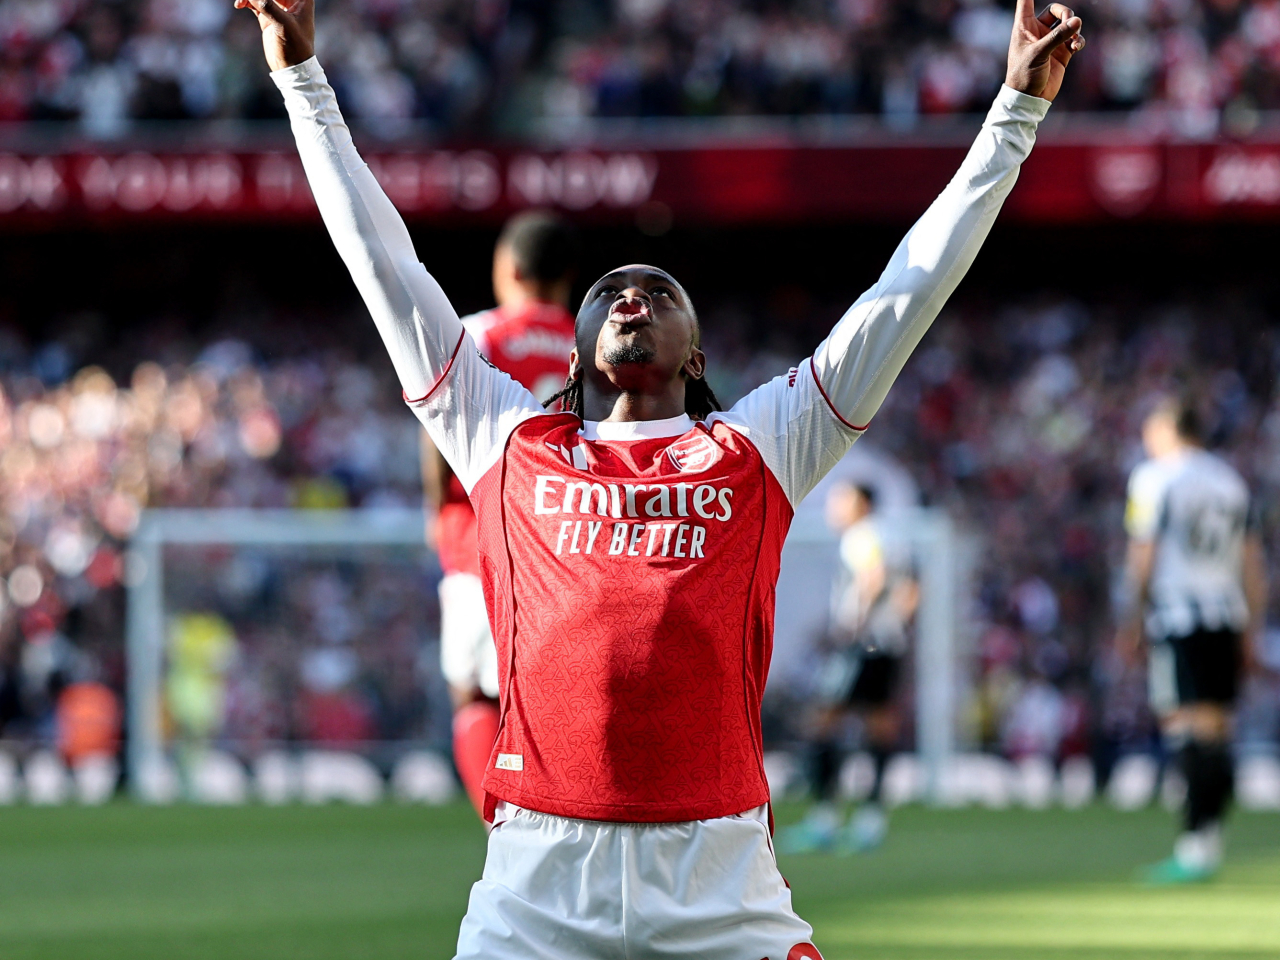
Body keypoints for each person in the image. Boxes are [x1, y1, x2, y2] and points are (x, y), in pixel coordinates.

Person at [235, 0, 1084, 953]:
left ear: (695, 354)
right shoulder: (507, 439)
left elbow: (907, 291)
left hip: (719, 882)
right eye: (610, 292)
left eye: (660, 291)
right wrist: (300, 77)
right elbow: (383, 263)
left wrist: (1015, 111)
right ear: (579, 353)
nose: (631, 294)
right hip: (536, 888)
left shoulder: (763, 442)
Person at [422, 211, 578, 817]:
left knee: (473, 693)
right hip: (568, 542)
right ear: (567, 276)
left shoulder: (476, 336)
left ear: (507, 269)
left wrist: (440, 508)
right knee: (549, 694)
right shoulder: (589, 342)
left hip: (480, 537)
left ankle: (499, 826)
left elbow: (435, 439)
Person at [1117, 396, 1267, 884]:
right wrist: (1252, 626)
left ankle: (1194, 846)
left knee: (1187, 727)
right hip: (1226, 614)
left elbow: (1143, 554)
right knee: (1218, 729)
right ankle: (1211, 840)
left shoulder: (1154, 478)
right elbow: (1253, 564)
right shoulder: (1230, 481)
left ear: (1165, 429)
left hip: (1180, 616)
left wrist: (1131, 618)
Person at [781, 482, 917, 854]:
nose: (834, 506)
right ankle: (870, 822)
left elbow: (872, 578)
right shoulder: (892, 535)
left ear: (862, 504)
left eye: (842, 499)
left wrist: (851, 628)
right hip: (887, 645)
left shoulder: (863, 536)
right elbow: (910, 589)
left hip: (862, 645)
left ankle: (824, 821)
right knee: (879, 730)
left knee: (821, 722)